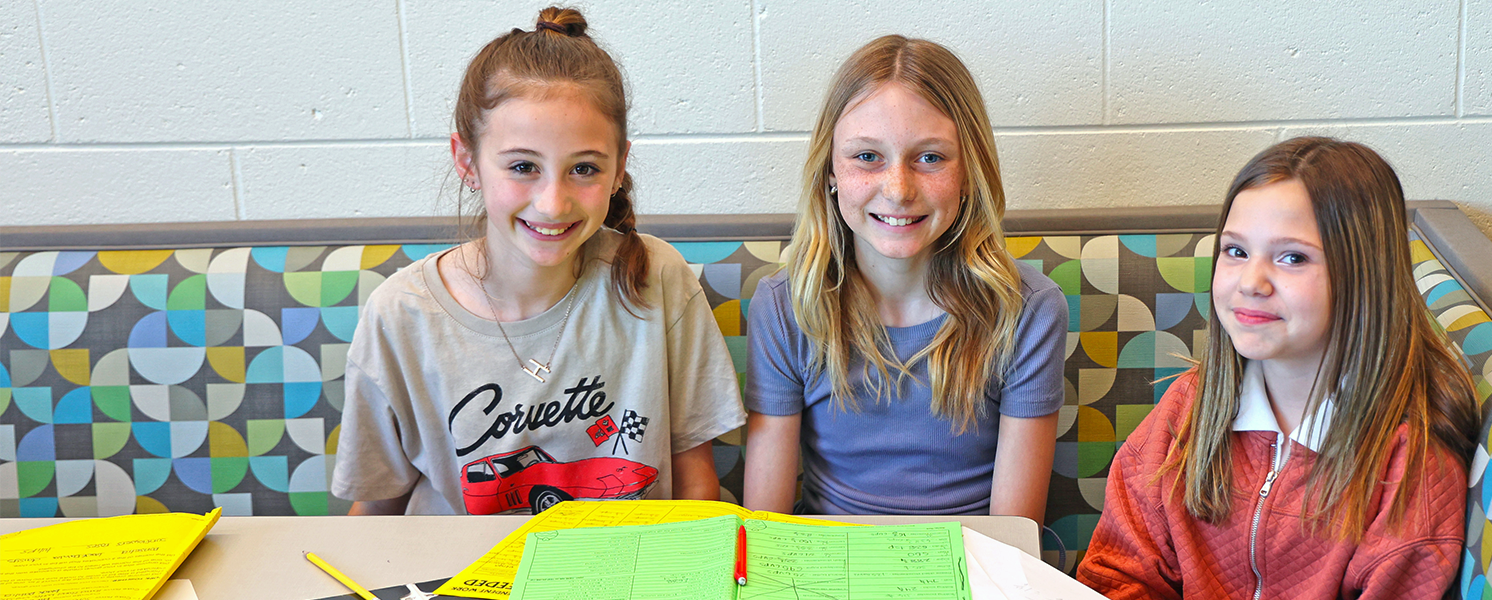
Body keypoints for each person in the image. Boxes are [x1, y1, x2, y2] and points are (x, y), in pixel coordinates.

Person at [331, 7, 745, 515]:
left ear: (619, 169)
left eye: (584, 168)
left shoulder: (656, 278)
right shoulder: (400, 314)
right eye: (523, 166)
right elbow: (374, 514)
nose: (553, 202)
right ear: (468, 162)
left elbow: (696, 485)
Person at [1076, 137, 1480, 598]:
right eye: (1236, 251)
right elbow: (1116, 575)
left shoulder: (1409, 459)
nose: (1251, 282)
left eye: (1292, 257)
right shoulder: (1188, 407)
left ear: (1365, 275)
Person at [740, 35, 1065, 522]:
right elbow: (764, 527)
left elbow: (1014, 534)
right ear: (830, 170)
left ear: (969, 172)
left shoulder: (1028, 310)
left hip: (975, 568)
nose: (898, 190)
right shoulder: (786, 306)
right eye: (867, 157)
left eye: (930, 157)